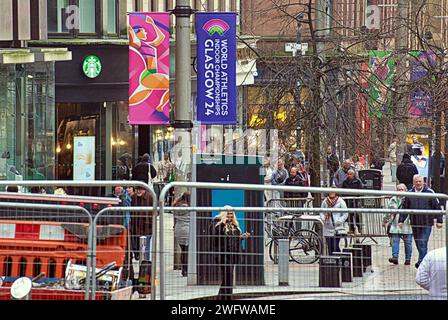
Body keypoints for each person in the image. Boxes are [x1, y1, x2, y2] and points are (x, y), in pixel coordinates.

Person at [399, 175, 443, 269]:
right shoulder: (410, 193)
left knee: (423, 242)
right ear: (413, 182)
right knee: (419, 243)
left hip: (427, 222)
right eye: (416, 182)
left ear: (423, 182)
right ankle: (425, 261)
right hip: (414, 222)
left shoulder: (430, 192)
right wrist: (401, 220)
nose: (418, 183)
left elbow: (437, 206)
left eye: (420, 181)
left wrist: (439, 220)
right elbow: (405, 207)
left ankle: (421, 262)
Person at [211, 206, 250, 300]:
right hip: (222, 254)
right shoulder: (217, 224)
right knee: (228, 275)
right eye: (228, 214)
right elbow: (215, 237)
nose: (230, 216)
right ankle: (226, 297)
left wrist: (241, 237)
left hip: (232, 254)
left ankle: (223, 297)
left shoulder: (234, 225)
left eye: (231, 214)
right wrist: (222, 224)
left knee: (228, 277)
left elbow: (234, 239)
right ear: (224, 214)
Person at [383, 184, 412, 265]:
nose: (401, 191)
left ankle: (408, 259)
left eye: (402, 189)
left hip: (407, 224)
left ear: (406, 190)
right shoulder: (393, 200)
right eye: (399, 189)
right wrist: (384, 221)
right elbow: (388, 212)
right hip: (395, 224)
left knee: (408, 243)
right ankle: (395, 257)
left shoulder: (409, 199)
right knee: (395, 241)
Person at [320, 188, 348, 255]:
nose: (331, 193)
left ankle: (338, 260)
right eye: (330, 192)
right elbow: (321, 211)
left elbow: (345, 213)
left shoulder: (340, 201)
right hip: (327, 227)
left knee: (335, 246)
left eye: (333, 191)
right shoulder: (325, 201)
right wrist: (324, 219)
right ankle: (331, 261)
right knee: (330, 246)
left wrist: (339, 221)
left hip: (337, 228)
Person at [173, 192, 191, 277]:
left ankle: (184, 270)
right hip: (187, 229)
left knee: (183, 250)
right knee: (187, 251)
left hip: (178, 229)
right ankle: (186, 269)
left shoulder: (177, 206)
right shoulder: (189, 207)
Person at [342, 169, 363, 235]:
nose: (349, 175)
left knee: (357, 215)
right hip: (348, 201)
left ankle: (359, 228)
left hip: (355, 201)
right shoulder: (345, 182)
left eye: (350, 174)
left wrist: (357, 197)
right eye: (348, 174)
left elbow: (361, 190)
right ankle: (351, 229)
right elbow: (343, 191)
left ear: (353, 174)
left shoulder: (358, 181)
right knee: (349, 216)